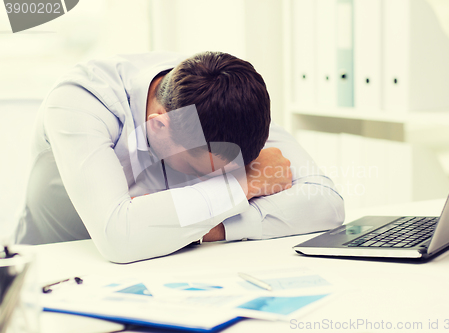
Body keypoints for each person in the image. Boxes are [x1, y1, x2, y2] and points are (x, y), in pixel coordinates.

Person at [15, 51, 344, 263]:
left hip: (167, 267)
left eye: (234, 171)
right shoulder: (81, 101)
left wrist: (212, 229)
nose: (223, 177)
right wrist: (245, 184)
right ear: (158, 126)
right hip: (52, 269)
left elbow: (327, 202)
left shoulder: (221, 97)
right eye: (205, 169)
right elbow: (119, 235)